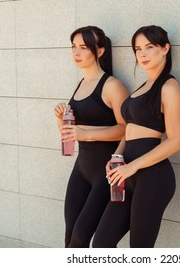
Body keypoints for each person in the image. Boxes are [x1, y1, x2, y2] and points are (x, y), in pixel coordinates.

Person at [92, 25, 180, 248]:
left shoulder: (168, 86)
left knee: (139, 251)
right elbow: (130, 130)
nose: (142, 54)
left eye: (149, 47)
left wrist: (133, 167)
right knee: (102, 243)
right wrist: (116, 156)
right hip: (126, 175)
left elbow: (176, 140)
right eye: (137, 48)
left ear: (165, 49)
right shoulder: (141, 88)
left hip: (152, 177)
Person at [54, 26, 128, 247]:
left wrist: (87, 133)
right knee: (70, 235)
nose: (76, 53)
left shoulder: (112, 86)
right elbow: (72, 133)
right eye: (74, 47)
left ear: (101, 51)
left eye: (83, 47)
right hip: (81, 168)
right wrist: (61, 120)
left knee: (81, 235)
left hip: (105, 172)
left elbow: (127, 128)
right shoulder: (80, 85)